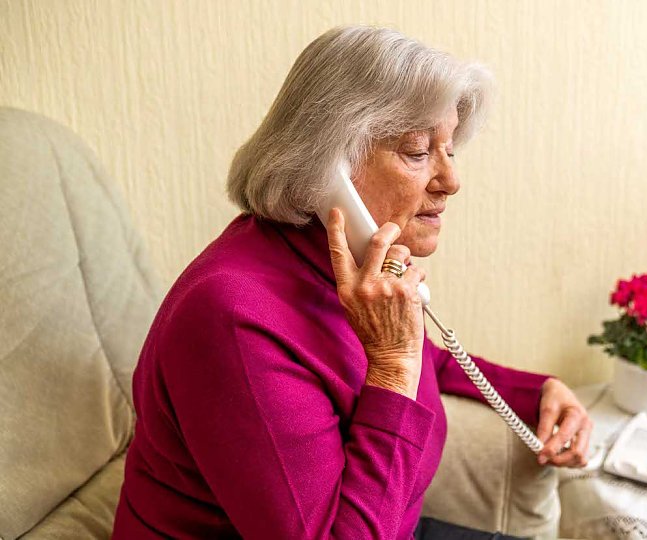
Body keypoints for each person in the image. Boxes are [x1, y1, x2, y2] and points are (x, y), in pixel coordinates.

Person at [112, 25, 592, 539]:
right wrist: (391, 365)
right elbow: (391, 364)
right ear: (327, 166)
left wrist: (532, 391)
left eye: (450, 149)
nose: (451, 180)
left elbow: (420, 358)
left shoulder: (342, 268)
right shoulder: (232, 318)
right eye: (416, 150)